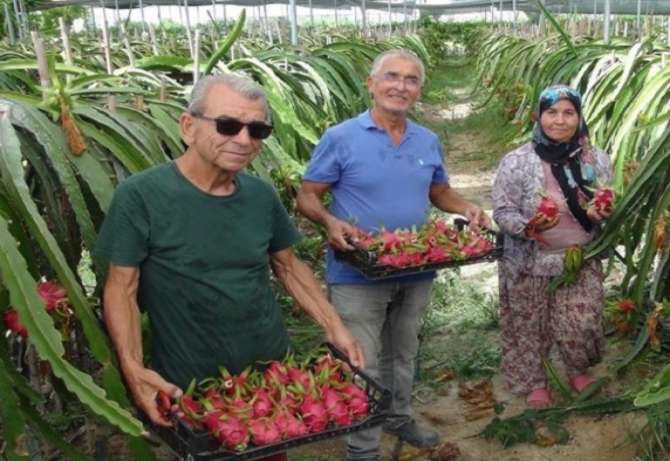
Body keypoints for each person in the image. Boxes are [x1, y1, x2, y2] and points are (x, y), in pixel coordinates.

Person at [95, 75, 364, 461]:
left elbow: (287, 266)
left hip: (270, 377)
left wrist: (335, 326)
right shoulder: (140, 196)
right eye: (227, 125)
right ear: (188, 126)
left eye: (257, 130)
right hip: (192, 385)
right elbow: (121, 287)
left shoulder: (260, 195)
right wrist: (134, 368)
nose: (243, 140)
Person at [296, 49, 491, 461]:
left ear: (419, 89)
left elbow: (438, 191)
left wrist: (466, 207)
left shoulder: (427, 139)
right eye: (391, 76)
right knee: (361, 358)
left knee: (404, 351)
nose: (400, 86)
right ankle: (363, 447)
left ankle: (399, 417)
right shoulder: (341, 137)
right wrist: (330, 223)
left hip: (416, 266)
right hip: (357, 271)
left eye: (411, 79)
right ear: (371, 83)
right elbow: (307, 196)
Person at [492, 85, 612, 409]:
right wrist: (529, 227)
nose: (560, 121)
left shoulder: (595, 160)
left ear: (579, 116)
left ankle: (577, 368)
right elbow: (502, 211)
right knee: (531, 325)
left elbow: (606, 198)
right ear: (539, 116)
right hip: (529, 259)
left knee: (583, 320)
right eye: (552, 112)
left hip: (579, 258)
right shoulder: (516, 162)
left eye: (568, 113)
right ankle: (536, 381)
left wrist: (598, 214)